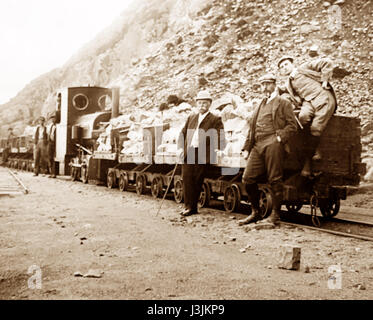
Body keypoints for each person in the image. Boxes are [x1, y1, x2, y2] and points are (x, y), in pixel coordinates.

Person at [238, 74, 298, 227]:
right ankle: (255, 212)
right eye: (262, 84)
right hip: (258, 144)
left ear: (274, 85)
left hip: (273, 142)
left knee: (275, 179)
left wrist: (279, 139)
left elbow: (292, 126)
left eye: (268, 84)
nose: (265, 87)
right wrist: (246, 147)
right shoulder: (259, 104)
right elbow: (252, 128)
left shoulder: (283, 103)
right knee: (248, 178)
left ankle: (275, 216)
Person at [278, 56, 337, 177]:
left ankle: (312, 157)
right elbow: (286, 94)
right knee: (302, 118)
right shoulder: (288, 82)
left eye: (286, 64)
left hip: (322, 97)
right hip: (308, 102)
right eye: (281, 67)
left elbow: (327, 62)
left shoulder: (303, 68)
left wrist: (325, 80)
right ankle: (314, 148)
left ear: (292, 64)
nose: (284, 67)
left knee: (316, 127)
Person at [177, 90, 226, 217]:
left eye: (205, 103)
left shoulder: (215, 119)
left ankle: (192, 208)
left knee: (197, 180)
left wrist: (219, 148)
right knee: (187, 178)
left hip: (203, 153)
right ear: (196, 104)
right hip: (190, 151)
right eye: (199, 103)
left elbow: (220, 134)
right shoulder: (191, 117)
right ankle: (188, 206)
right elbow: (182, 134)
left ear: (209, 104)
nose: (202, 105)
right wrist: (180, 148)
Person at [47, 113, 57, 178]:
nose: (53, 120)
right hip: (50, 143)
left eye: (54, 118)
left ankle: (54, 173)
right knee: (50, 158)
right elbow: (49, 134)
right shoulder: (51, 126)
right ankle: (51, 173)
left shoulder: (57, 126)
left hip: (55, 143)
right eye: (52, 119)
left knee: (54, 158)